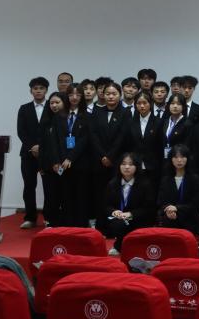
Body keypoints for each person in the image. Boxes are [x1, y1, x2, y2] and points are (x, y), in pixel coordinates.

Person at [90, 82, 130, 228]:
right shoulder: (97, 112)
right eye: (107, 94)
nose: (111, 96)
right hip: (99, 160)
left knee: (115, 192)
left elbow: (123, 136)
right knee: (99, 192)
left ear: (120, 95)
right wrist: (103, 156)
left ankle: (116, 224)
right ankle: (100, 224)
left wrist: (110, 156)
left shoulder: (126, 112)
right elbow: (93, 135)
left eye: (114, 94)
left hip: (117, 160)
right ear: (103, 95)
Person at [100, 153, 156, 254]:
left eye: (130, 164)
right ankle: (119, 245)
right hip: (120, 218)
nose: (126, 167)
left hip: (137, 218)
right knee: (117, 223)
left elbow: (148, 208)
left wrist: (131, 214)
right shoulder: (112, 184)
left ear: (136, 166)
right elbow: (106, 205)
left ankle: (136, 245)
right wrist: (114, 212)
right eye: (124, 164)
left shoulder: (145, 184)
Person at [17, 76, 51, 228]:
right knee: (29, 186)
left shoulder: (52, 106)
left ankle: (49, 218)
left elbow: (54, 131)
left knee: (49, 186)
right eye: (35, 88)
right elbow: (21, 131)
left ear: (46, 90)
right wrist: (33, 146)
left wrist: (42, 147)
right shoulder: (24, 108)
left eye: (41, 88)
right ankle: (30, 218)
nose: (38, 91)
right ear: (31, 91)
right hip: (28, 154)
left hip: (48, 154)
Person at [59, 86, 91, 226]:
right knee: (65, 194)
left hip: (81, 161)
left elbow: (85, 140)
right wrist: (62, 159)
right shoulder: (60, 115)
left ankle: (81, 224)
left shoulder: (87, 116)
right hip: (62, 162)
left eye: (78, 94)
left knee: (81, 194)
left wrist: (70, 157)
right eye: (71, 94)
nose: (74, 97)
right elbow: (57, 139)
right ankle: (67, 223)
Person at [37, 91, 68, 228]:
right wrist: (41, 166)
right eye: (51, 103)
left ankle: (64, 221)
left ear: (64, 103)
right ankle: (50, 221)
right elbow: (42, 146)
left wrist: (63, 161)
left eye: (57, 102)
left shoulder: (69, 120)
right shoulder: (46, 122)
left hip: (64, 165)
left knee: (64, 194)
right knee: (50, 194)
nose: (54, 105)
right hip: (48, 166)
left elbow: (70, 144)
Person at [156, 144, 199, 235]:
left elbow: (196, 202)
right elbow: (161, 201)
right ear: (171, 159)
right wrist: (169, 210)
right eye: (176, 157)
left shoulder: (195, 179)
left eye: (182, 157)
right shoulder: (165, 179)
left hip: (189, 218)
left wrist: (177, 208)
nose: (179, 160)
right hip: (170, 218)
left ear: (187, 159)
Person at [125, 91, 161, 188]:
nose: (142, 106)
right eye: (139, 103)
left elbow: (160, 146)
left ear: (151, 103)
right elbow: (128, 145)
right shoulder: (130, 122)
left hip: (153, 166)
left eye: (145, 103)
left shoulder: (158, 122)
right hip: (135, 165)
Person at [158, 93, 190, 165]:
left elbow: (187, 146)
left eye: (178, 104)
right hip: (164, 160)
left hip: (179, 160)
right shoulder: (164, 122)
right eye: (172, 103)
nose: (175, 106)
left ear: (183, 106)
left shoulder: (187, 124)